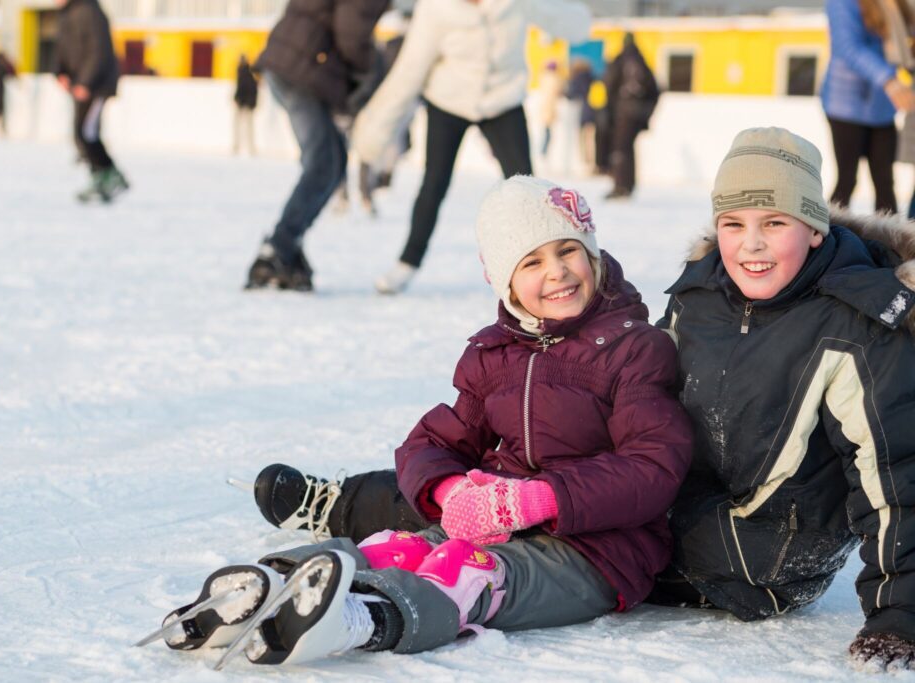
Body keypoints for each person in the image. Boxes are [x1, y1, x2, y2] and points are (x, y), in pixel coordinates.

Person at [249, 128, 915, 670]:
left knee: (510, 529)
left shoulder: (857, 329)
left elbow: (896, 481)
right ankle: (337, 513)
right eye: (734, 222)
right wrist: (480, 487)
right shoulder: (702, 295)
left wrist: (898, 617)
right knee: (479, 483)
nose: (753, 243)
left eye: (776, 221)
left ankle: (393, 597)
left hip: (747, 557)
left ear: (816, 229)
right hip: (659, 519)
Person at [145, 176, 693, 667]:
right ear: (503, 280)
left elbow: (652, 467)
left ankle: (362, 617)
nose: (556, 272)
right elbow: (431, 441)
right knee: (398, 546)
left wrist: (538, 499)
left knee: (462, 568)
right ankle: (272, 585)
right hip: (504, 528)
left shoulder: (634, 350)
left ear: (593, 254)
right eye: (531, 262)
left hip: (599, 553)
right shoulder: (495, 355)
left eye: (568, 250)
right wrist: (452, 490)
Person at [353, 0, 591, 295]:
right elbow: (409, 71)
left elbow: (571, 23)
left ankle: (546, 263)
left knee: (528, 187)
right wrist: (374, 131)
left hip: (503, 100)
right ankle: (407, 262)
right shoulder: (436, 8)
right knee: (434, 183)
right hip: (448, 101)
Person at [244, 0, 390, 292]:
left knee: (332, 164)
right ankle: (277, 249)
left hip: (294, 61)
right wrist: (372, 67)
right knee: (323, 165)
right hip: (303, 66)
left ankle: (287, 245)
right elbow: (352, 33)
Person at [822, 0, 915, 213]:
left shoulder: (898, 4)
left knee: (885, 184)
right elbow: (848, 47)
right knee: (847, 181)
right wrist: (888, 80)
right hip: (846, 105)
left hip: (881, 109)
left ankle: (889, 245)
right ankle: (828, 240)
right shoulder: (843, 3)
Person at [54, 0, 129, 203]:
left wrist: (87, 82)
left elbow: (99, 50)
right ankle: (101, 176)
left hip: (96, 84)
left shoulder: (89, 10)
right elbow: (64, 46)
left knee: (86, 132)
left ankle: (109, 176)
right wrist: (60, 71)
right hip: (80, 82)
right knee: (81, 133)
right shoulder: (66, 13)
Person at [601, 33, 658, 200]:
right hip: (636, 115)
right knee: (629, 149)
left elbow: (609, 84)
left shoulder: (621, 60)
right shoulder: (642, 62)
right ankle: (629, 185)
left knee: (619, 149)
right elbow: (655, 90)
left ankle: (620, 186)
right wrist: (645, 114)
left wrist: (609, 109)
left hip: (622, 113)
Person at [232, 54, 258, 156]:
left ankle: (241, 146)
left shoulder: (243, 72)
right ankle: (247, 147)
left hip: (243, 103)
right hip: (247, 103)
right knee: (247, 126)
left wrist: (238, 99)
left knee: (243, 126)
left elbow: (242, 88)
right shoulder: (250, 72)